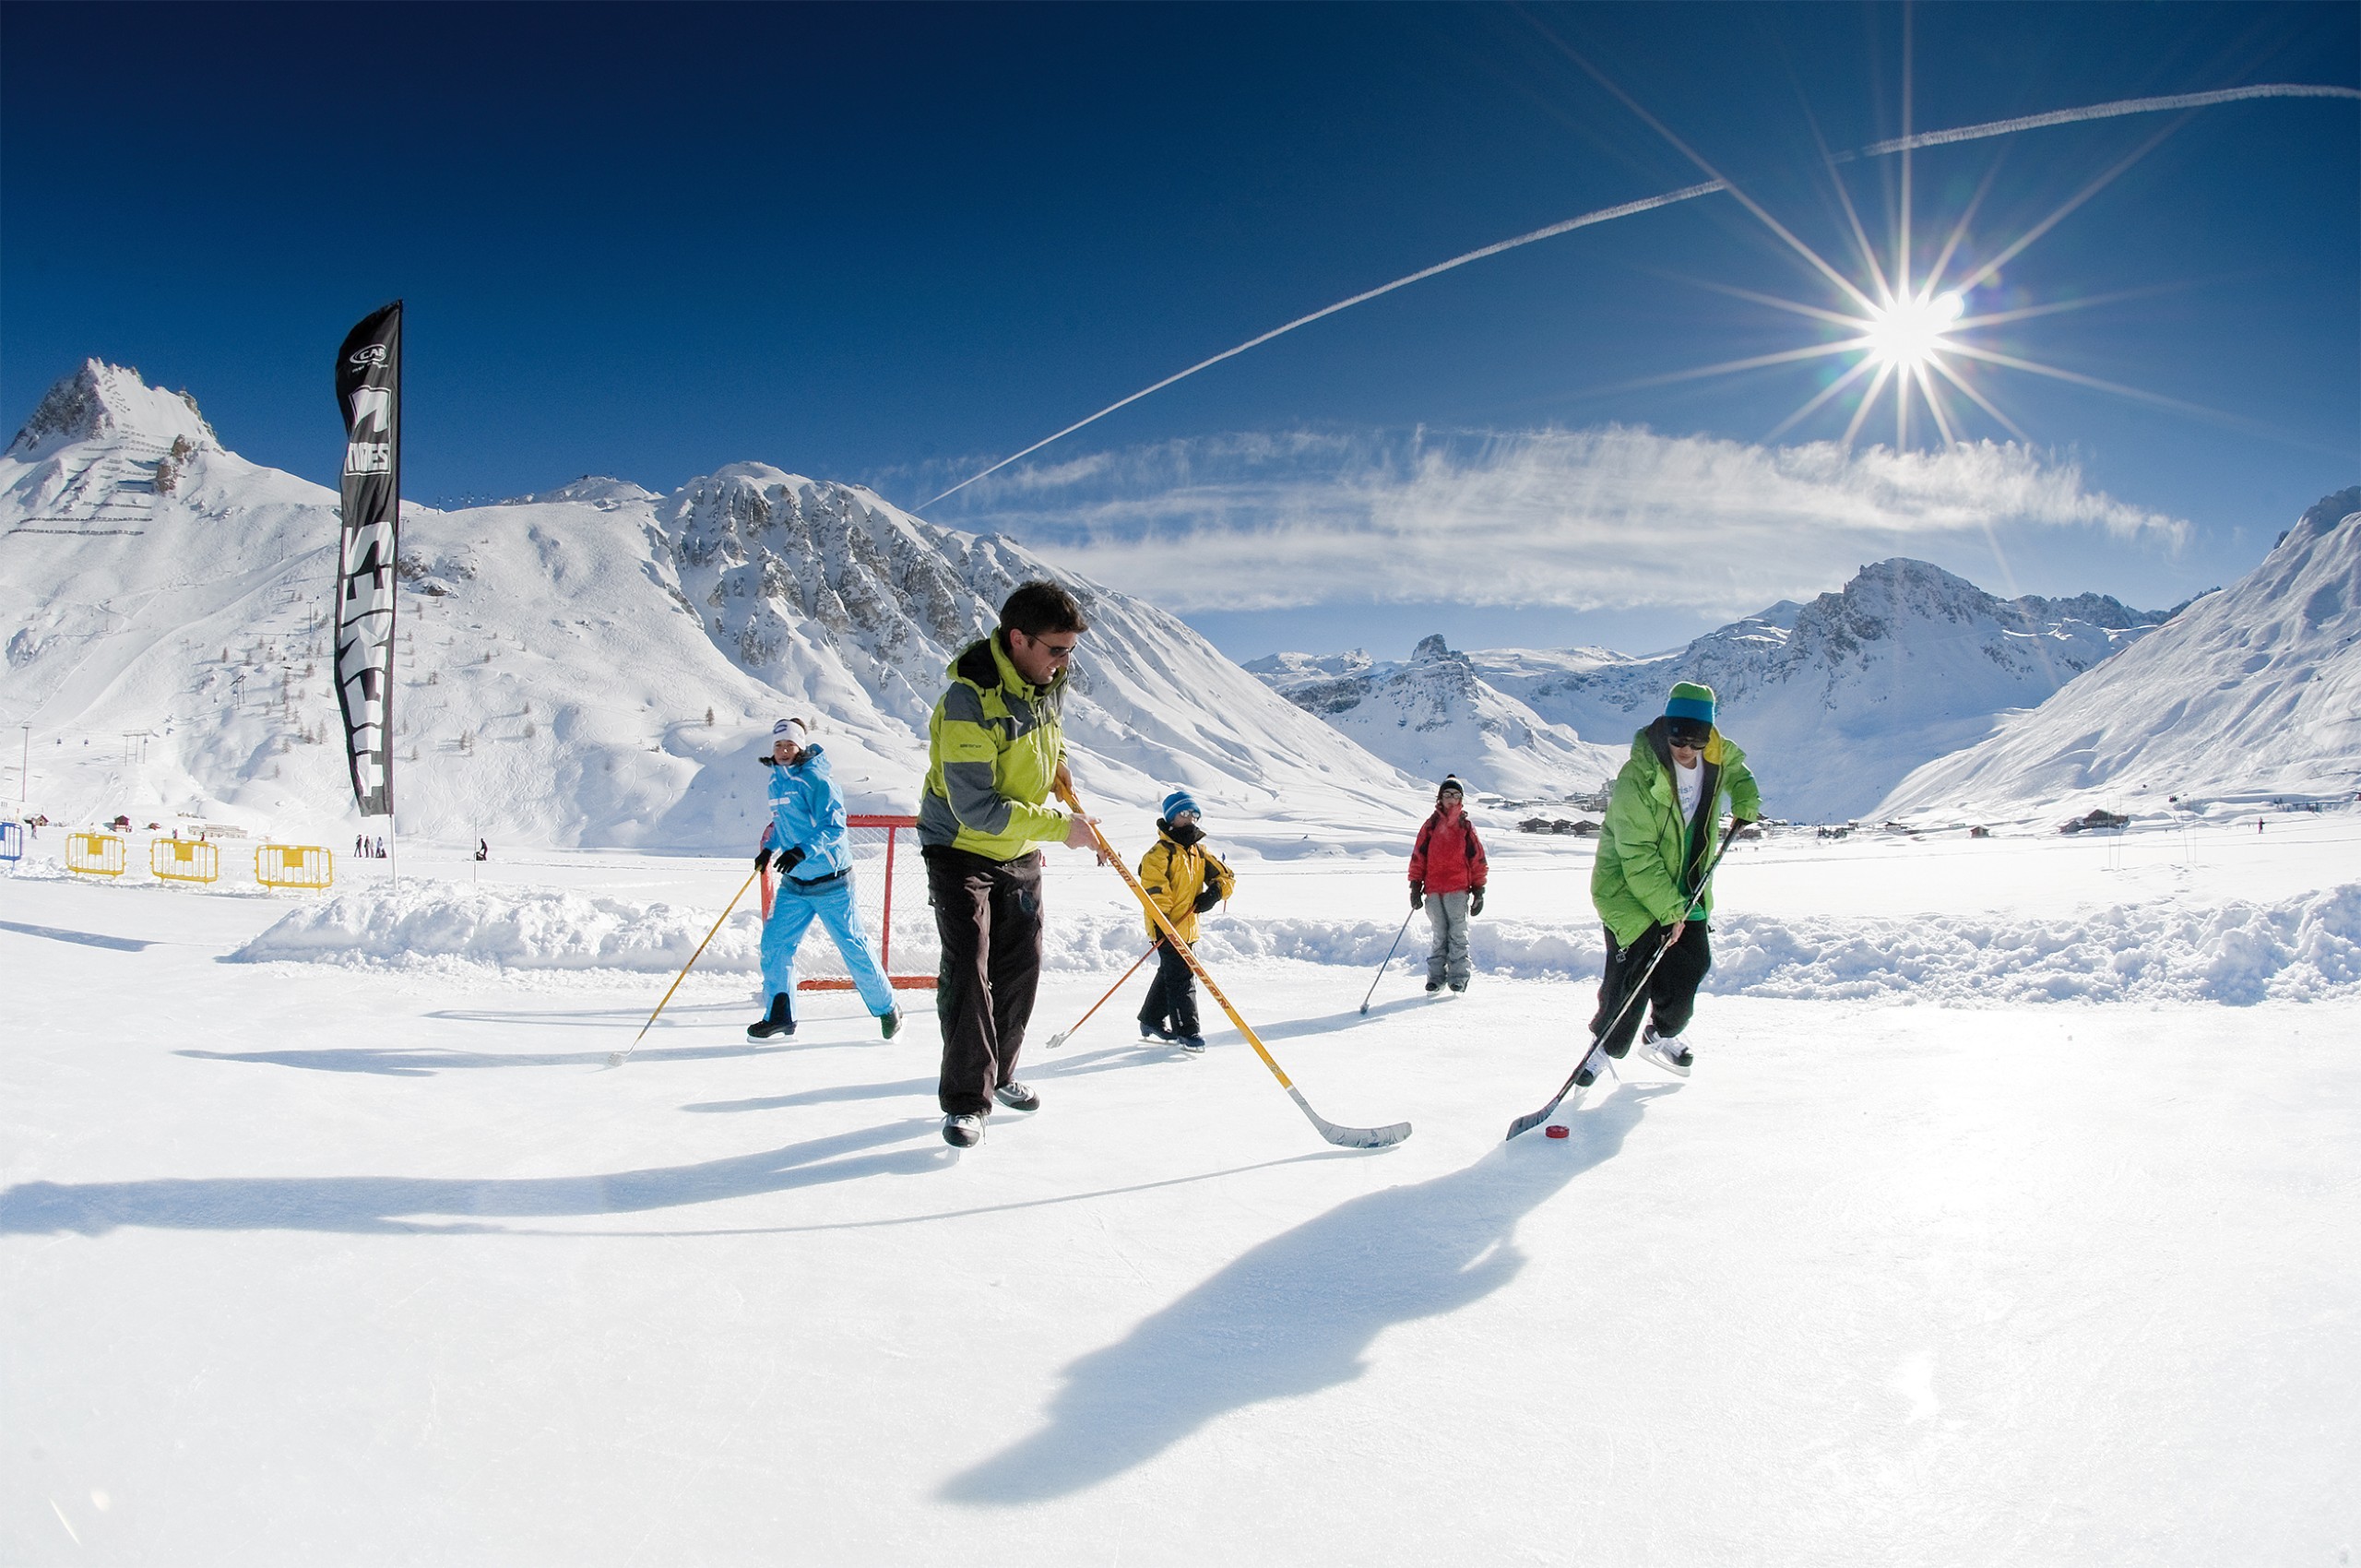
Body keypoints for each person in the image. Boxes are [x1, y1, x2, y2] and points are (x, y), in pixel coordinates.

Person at [919, 580, 1101, 1148]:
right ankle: (967, 1101)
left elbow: (1050, 737)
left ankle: (999, 1073)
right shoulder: (968, 701)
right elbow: (976, 808)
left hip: (1017, 848)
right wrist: (1062, 829)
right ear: (1018, 639)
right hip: (959, 848)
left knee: (1022, 964)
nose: (1064, 662)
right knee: (970, 967)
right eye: (1056, 649)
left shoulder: (1047, 680)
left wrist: (1058, 766)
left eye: (1070, 651)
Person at [1576, 682, 1761, 1086]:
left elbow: (1739, 773)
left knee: (1690, 965)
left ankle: (1662, 1033)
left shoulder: (1716, 757)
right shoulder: (1638, 776)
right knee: (1634, 973)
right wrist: (1668, 911)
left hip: (1687, 883)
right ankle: (1603, 1049)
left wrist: (1746, 799)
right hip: (1627, 887)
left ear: (1709, 735)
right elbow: (1637, 856)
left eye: (1697, 739)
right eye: (1678, 736)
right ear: (1665, 727)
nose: (1686, 748)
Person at [746, 718, 901, 1041]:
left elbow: (834, 827)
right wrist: (769, 849)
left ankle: (888, 1008)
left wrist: (801, 851)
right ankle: (781, 1015)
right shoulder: (776, 783)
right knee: (774, 945)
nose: (783, 751)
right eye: (778, 745)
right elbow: (783, 825)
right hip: (795, 885)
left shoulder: (817, 780)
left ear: (800, 747)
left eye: (789, 745)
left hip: (832, 883)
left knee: (852, 947)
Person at [1135, 789, 1235, 1054]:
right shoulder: (1158, 854)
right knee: (1182, 977)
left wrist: (1214, 894)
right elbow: (1156, 893)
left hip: (1188, 927)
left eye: (1195, 814)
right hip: (1166, 927)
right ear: (1171, 817)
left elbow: (1226, 877)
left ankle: (1151, 1019)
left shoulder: (1198, 852)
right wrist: (1167, 925)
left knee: (1171, 973)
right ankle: (1187, 1031)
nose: (1191, 818)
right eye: (1184, 813)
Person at [1408, 774, 1488, 994]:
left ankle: (1458, 978)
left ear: (1461, 799)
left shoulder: (1466, 827)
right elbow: (1418, 857)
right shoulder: (1431, 825)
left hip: (1458, 890)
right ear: (1440, 798)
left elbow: (1478, 860)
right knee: (1439, 935)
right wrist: (1415, 887)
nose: (1451, 799)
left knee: (1458, 935)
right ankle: (1435, 979)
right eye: (1447, 794)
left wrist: (1479, 891)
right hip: (1433, 890)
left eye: (1456, 795)